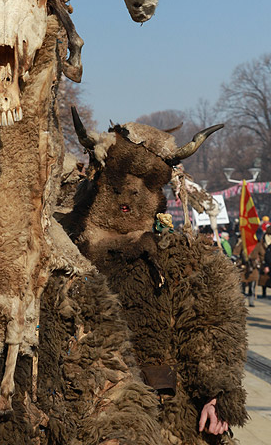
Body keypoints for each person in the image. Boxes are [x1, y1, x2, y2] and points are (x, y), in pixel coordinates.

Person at [65, 112, 248, 444]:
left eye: (147, 184)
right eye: (120, 180)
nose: (132, 193)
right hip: (85, 409)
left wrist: (218, 392)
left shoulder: (177, 257)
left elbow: (209, 324)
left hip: (167, 415)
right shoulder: (64, 256)